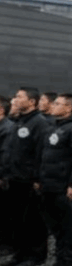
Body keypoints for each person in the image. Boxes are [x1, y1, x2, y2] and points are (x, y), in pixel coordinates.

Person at [36, 94, 72, 266]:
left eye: (58, 103)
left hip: (66, 187)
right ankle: (60, 260)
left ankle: (71, 262)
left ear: (68, 108)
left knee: (71, 226)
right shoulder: (54, 127)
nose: (53, 105)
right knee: (58, 227)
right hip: (50, 185)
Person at [0, 87, 53, 266]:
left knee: (33, 220)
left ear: (31, 102)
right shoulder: (19, 122)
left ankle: (36, 255)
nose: (15, 99)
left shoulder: (39, 123)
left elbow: (42, 152)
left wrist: (38, 177)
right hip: (15, 178)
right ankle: (20, 253)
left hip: (29, 180)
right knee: (17, 219)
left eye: (19, 96)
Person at [0, 96, 14, 255]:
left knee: (5, 213)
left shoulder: (7, 128)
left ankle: (7, 244)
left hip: (5, 177)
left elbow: (6, 155)